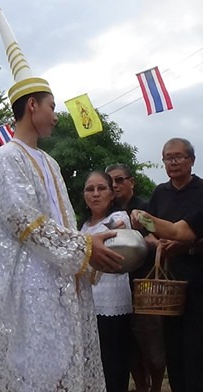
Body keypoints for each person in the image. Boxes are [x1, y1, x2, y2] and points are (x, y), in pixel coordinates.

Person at [0, 9, 123, 390]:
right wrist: (84, 246)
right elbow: (25, 223)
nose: (56, 115)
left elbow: (57, 225)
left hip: (63, 286)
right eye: (51, 105)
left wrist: (87, 252)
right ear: (32, 106)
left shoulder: (49, 161)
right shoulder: (6, 159)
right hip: (31, 293)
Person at [134, 137, 203, 392]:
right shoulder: (160, 193)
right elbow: (154, 233)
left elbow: (179, 231)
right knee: (173, 350)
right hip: (166, 286)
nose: (172, 162)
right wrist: (156, 242)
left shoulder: (201, 192)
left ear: (191, 161)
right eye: (168, 157)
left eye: (178, 157)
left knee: (194, 351)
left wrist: (186, 246)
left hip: (196, 281)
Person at [106, 163, 164, 392]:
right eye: (111, 181)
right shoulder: (107, 213)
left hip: (145, 285)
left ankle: (157, 387)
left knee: (152, 347)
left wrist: (146, 237)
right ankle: (141, 386)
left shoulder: (146, 208)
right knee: (129, 348)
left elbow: (159, 241)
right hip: (116, 290)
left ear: (132, 181)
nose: (115, 185)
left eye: (120, 180)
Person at [80, 171, 133, 392]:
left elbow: (120, 232)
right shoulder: (83, 226)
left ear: (112, 194)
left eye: (101, 188)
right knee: (92, 364)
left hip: (112, 304)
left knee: (113, 366)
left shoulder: (117, 218)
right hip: (88, 306)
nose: (95, 194)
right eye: (90, 189)